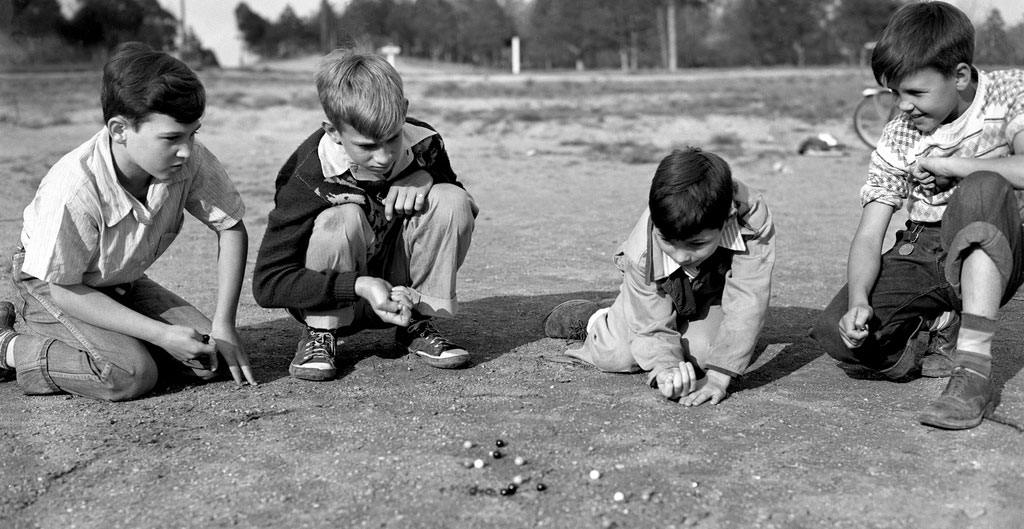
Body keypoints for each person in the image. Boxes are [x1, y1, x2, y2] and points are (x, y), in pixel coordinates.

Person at [0, 42, 256, 401]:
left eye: (192, 133)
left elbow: (230, 227)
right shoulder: (73, 188)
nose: (186, 149)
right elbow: (64, 289)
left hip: (117, 280)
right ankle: (9, 346)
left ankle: (122, 341)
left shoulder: (186, 158)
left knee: (210, 358)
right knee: (129, 375)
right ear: (120, 129)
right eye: (171, 138)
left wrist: (224, 324)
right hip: (53, 284)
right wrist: (161, 335)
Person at [810, 1, 1024, 430]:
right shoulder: (899, 134)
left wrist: (952, 167)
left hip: (1003, 241)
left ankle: (972, 372)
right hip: (925, 245)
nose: (903, 106)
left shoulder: (1010, 92)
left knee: (982, 188)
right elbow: (871, 233)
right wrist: (857, 302)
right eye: (894, 93)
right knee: (837, 334)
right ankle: (938, 331)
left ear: (960, 76)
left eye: (916, 93)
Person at [251, 50, 476, 381]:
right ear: (333, 131)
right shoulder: (308, 174)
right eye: (368, 147)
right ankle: (320, 334)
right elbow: (268, 283)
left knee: (452, 200)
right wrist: (356, 284)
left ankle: (415, 320)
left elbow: (458, 204)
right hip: (338, 294)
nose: (384, 157)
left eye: (393, 139)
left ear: (405, 113)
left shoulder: (425, 145)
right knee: (341, 220)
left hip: (399, 297)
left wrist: (427, 178)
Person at [543, 148, 775, 405]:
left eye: (697, 244)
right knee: (617, 355)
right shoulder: (641, 251)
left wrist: (720, 375)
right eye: (667, 242)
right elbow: (652, 328)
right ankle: (596, 317)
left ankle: (652, 313)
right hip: (655, 289)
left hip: (711, 290)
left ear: (727, 219)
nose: (681, 256)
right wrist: (666, 368)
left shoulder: (752, 217)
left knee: (708, 354)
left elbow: (748, 295)